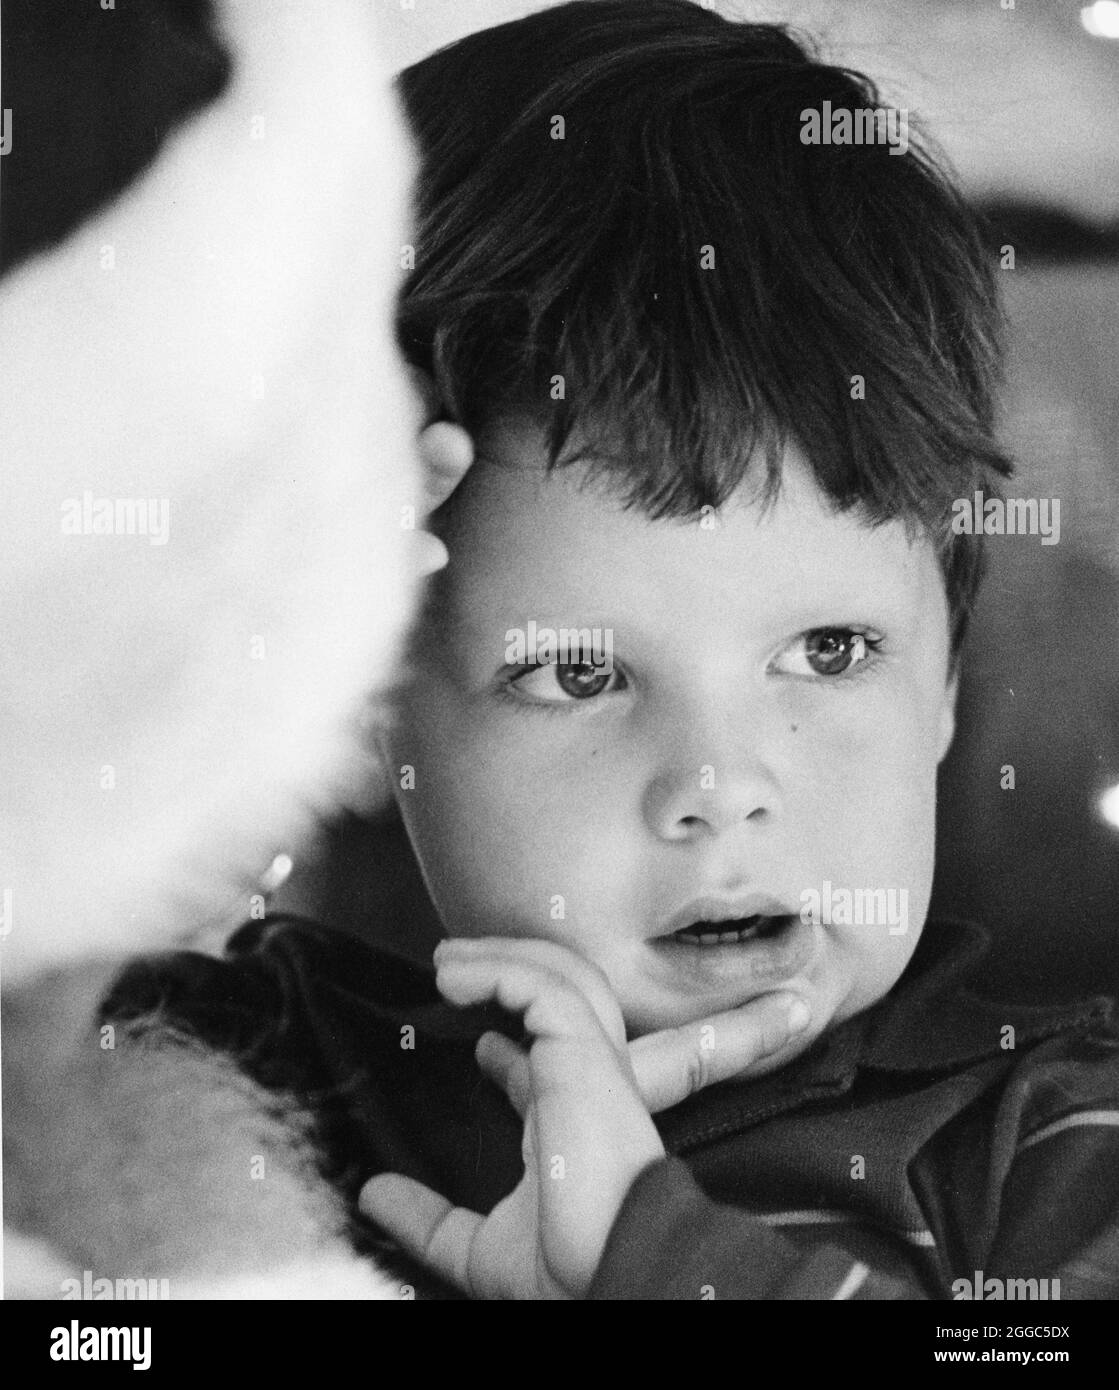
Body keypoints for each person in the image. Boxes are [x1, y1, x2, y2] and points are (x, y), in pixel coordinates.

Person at [100, 1, 1119, 1299]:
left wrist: (656, 1254)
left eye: (827, 649)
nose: (719, 782)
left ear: (945, 684)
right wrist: (184, 778)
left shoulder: (1054, 1142)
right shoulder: (244, 1073)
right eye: (580, 674)